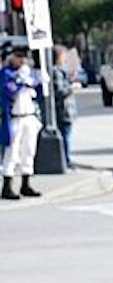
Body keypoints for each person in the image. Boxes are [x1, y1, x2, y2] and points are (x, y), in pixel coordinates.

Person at [2, 46, 45, 199]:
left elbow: (37, 93)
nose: (22, 60)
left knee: (29, 150)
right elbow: (8, 91)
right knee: (12, 153)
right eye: (18, 56)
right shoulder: (7, 74)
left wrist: (39, 82)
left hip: (29, 116)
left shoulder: (28, 73)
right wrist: (20, 81)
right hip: (15, 117)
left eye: (23, 57)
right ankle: (7, 185)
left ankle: (25, 183)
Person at [51, 44, 79, 165]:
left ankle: (65, 159)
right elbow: (60, 90)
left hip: (64, 109)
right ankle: (65, 160)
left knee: (65, 134)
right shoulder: (56, 71)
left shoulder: (61, 71)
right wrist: (72, 87)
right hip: (63, 109)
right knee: (65, 135)